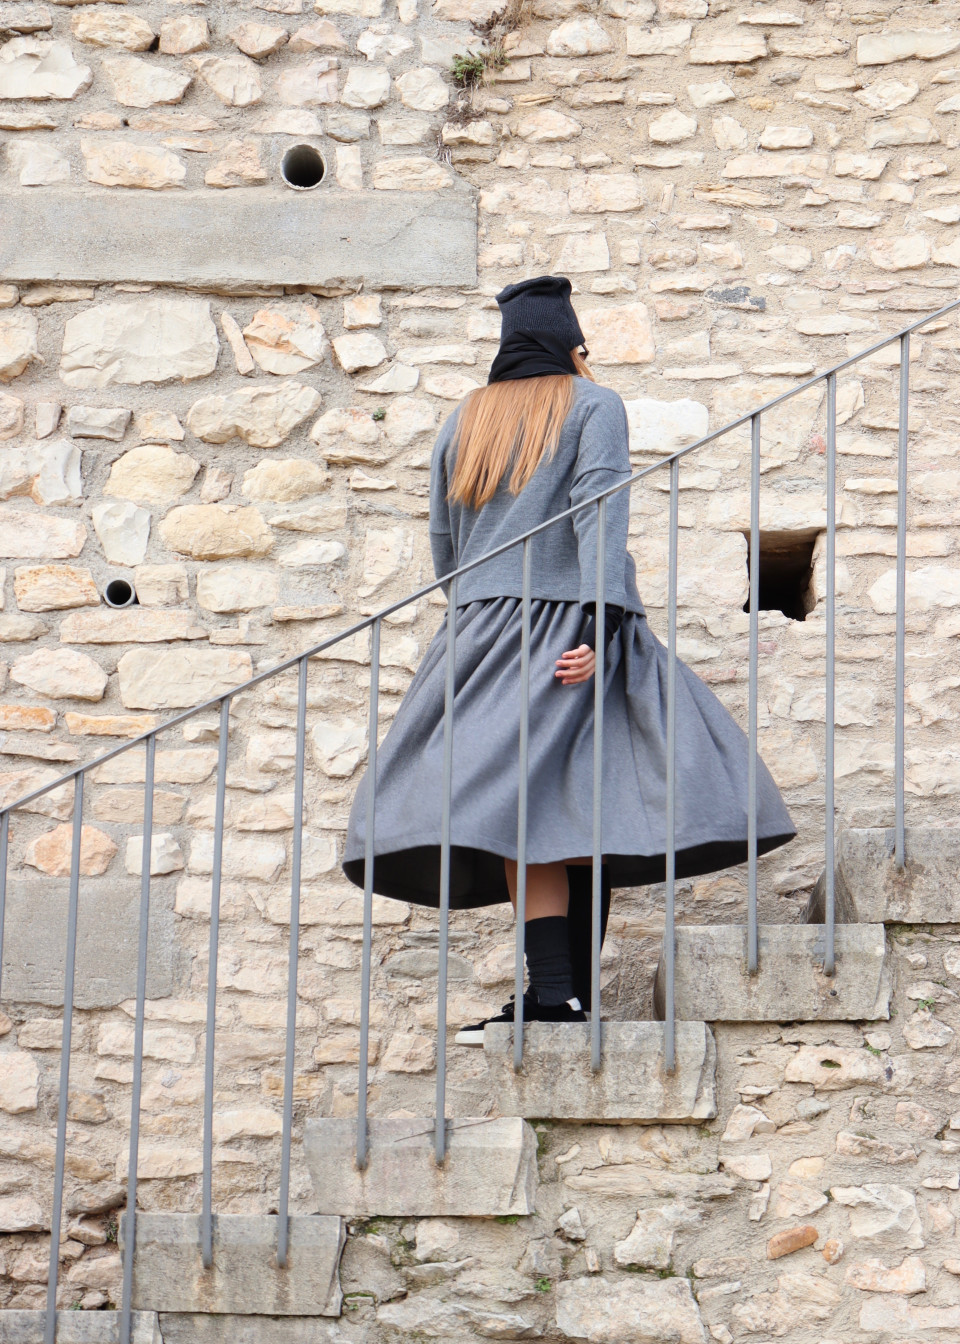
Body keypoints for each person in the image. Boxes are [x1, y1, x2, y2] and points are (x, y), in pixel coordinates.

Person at [342, 275, 796, 1044]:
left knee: (538, 812)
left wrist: (483, 616)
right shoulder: (593, 404)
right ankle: (558, 995)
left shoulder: (466, 420)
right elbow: (599, 511)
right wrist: (591, 621)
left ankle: (557, 994)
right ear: (574, 346)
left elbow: (444, 550)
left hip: (478, 634)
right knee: (588, 802)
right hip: (577, 624)